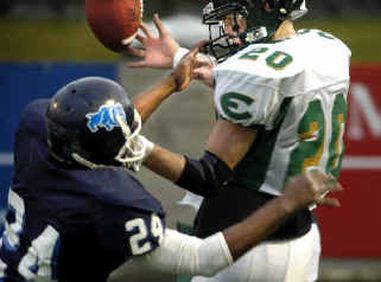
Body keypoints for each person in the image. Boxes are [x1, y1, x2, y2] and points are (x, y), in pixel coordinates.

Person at [0, 53, 341, 281]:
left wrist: (169, 84)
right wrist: (287, 202)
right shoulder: (110, 202)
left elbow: (104, 126)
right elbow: (204, 258)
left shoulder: (38, 126)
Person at [127, 0, 351, 281]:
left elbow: (208, 176)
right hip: (300, 237)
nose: (228, 26)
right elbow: (280, 96)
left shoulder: (254, 74)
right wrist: (180, 57)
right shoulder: (325, 48)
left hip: (246, 248)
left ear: (268, 6)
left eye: (236, 15)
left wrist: (137, 148)